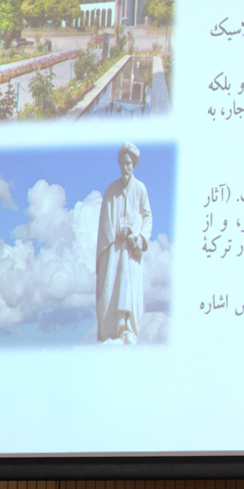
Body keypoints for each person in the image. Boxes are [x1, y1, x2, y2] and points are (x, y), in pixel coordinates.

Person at [96, 142, 152, 344]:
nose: (127, 167)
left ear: (134, 165)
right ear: (120, 164)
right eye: (124, 163)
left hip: (131, 249)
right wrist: (117, 231)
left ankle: (127, 329)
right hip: (115, 251)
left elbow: (147, 217)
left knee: (129, 288)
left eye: (130, 163)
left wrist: (138, 236)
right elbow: (105, 219)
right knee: (113, 287)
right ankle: (113, 329)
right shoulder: (112, 190)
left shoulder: (140, 188)